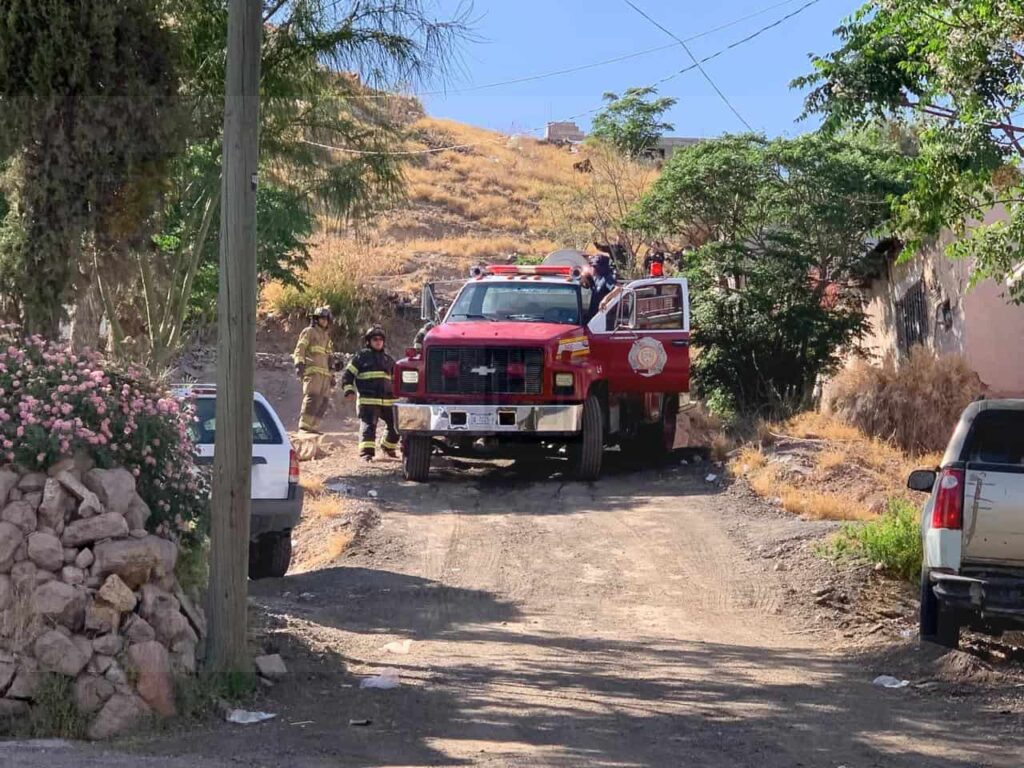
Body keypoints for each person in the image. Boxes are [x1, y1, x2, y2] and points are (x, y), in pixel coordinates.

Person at [342, 326, 399, 462]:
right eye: (375, 339)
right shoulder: (361, 357)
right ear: (368, 341)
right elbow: (347, 375)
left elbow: (397, 379)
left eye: (381, 339)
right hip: (368, 401)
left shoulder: (388, 360)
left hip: (388, 401)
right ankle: (366, 455)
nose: (378, 342)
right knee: (369, 427)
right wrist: (349, 390)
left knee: (396, 426)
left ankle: (387, 447)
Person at [292, 306, 335, 434]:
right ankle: (304, 426)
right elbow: (300, 348)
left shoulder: (327, 337)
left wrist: (332, 375)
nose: (324, 321)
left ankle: (314, 427)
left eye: (326, 319)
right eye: (321, 318)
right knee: (312, 398)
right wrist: (299, 362)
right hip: (312, 372)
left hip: (325, 375)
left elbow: (329, 357)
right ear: (316, 319)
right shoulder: (309, 332)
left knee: (324, 401)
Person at [585, 252, 617, 320]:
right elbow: (587, 285)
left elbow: (618, 288)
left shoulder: (607, 278)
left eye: (594, 266)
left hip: (601, 318)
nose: (592, 268)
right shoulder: (596, 278)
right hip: (592, 317)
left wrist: (605, 300)